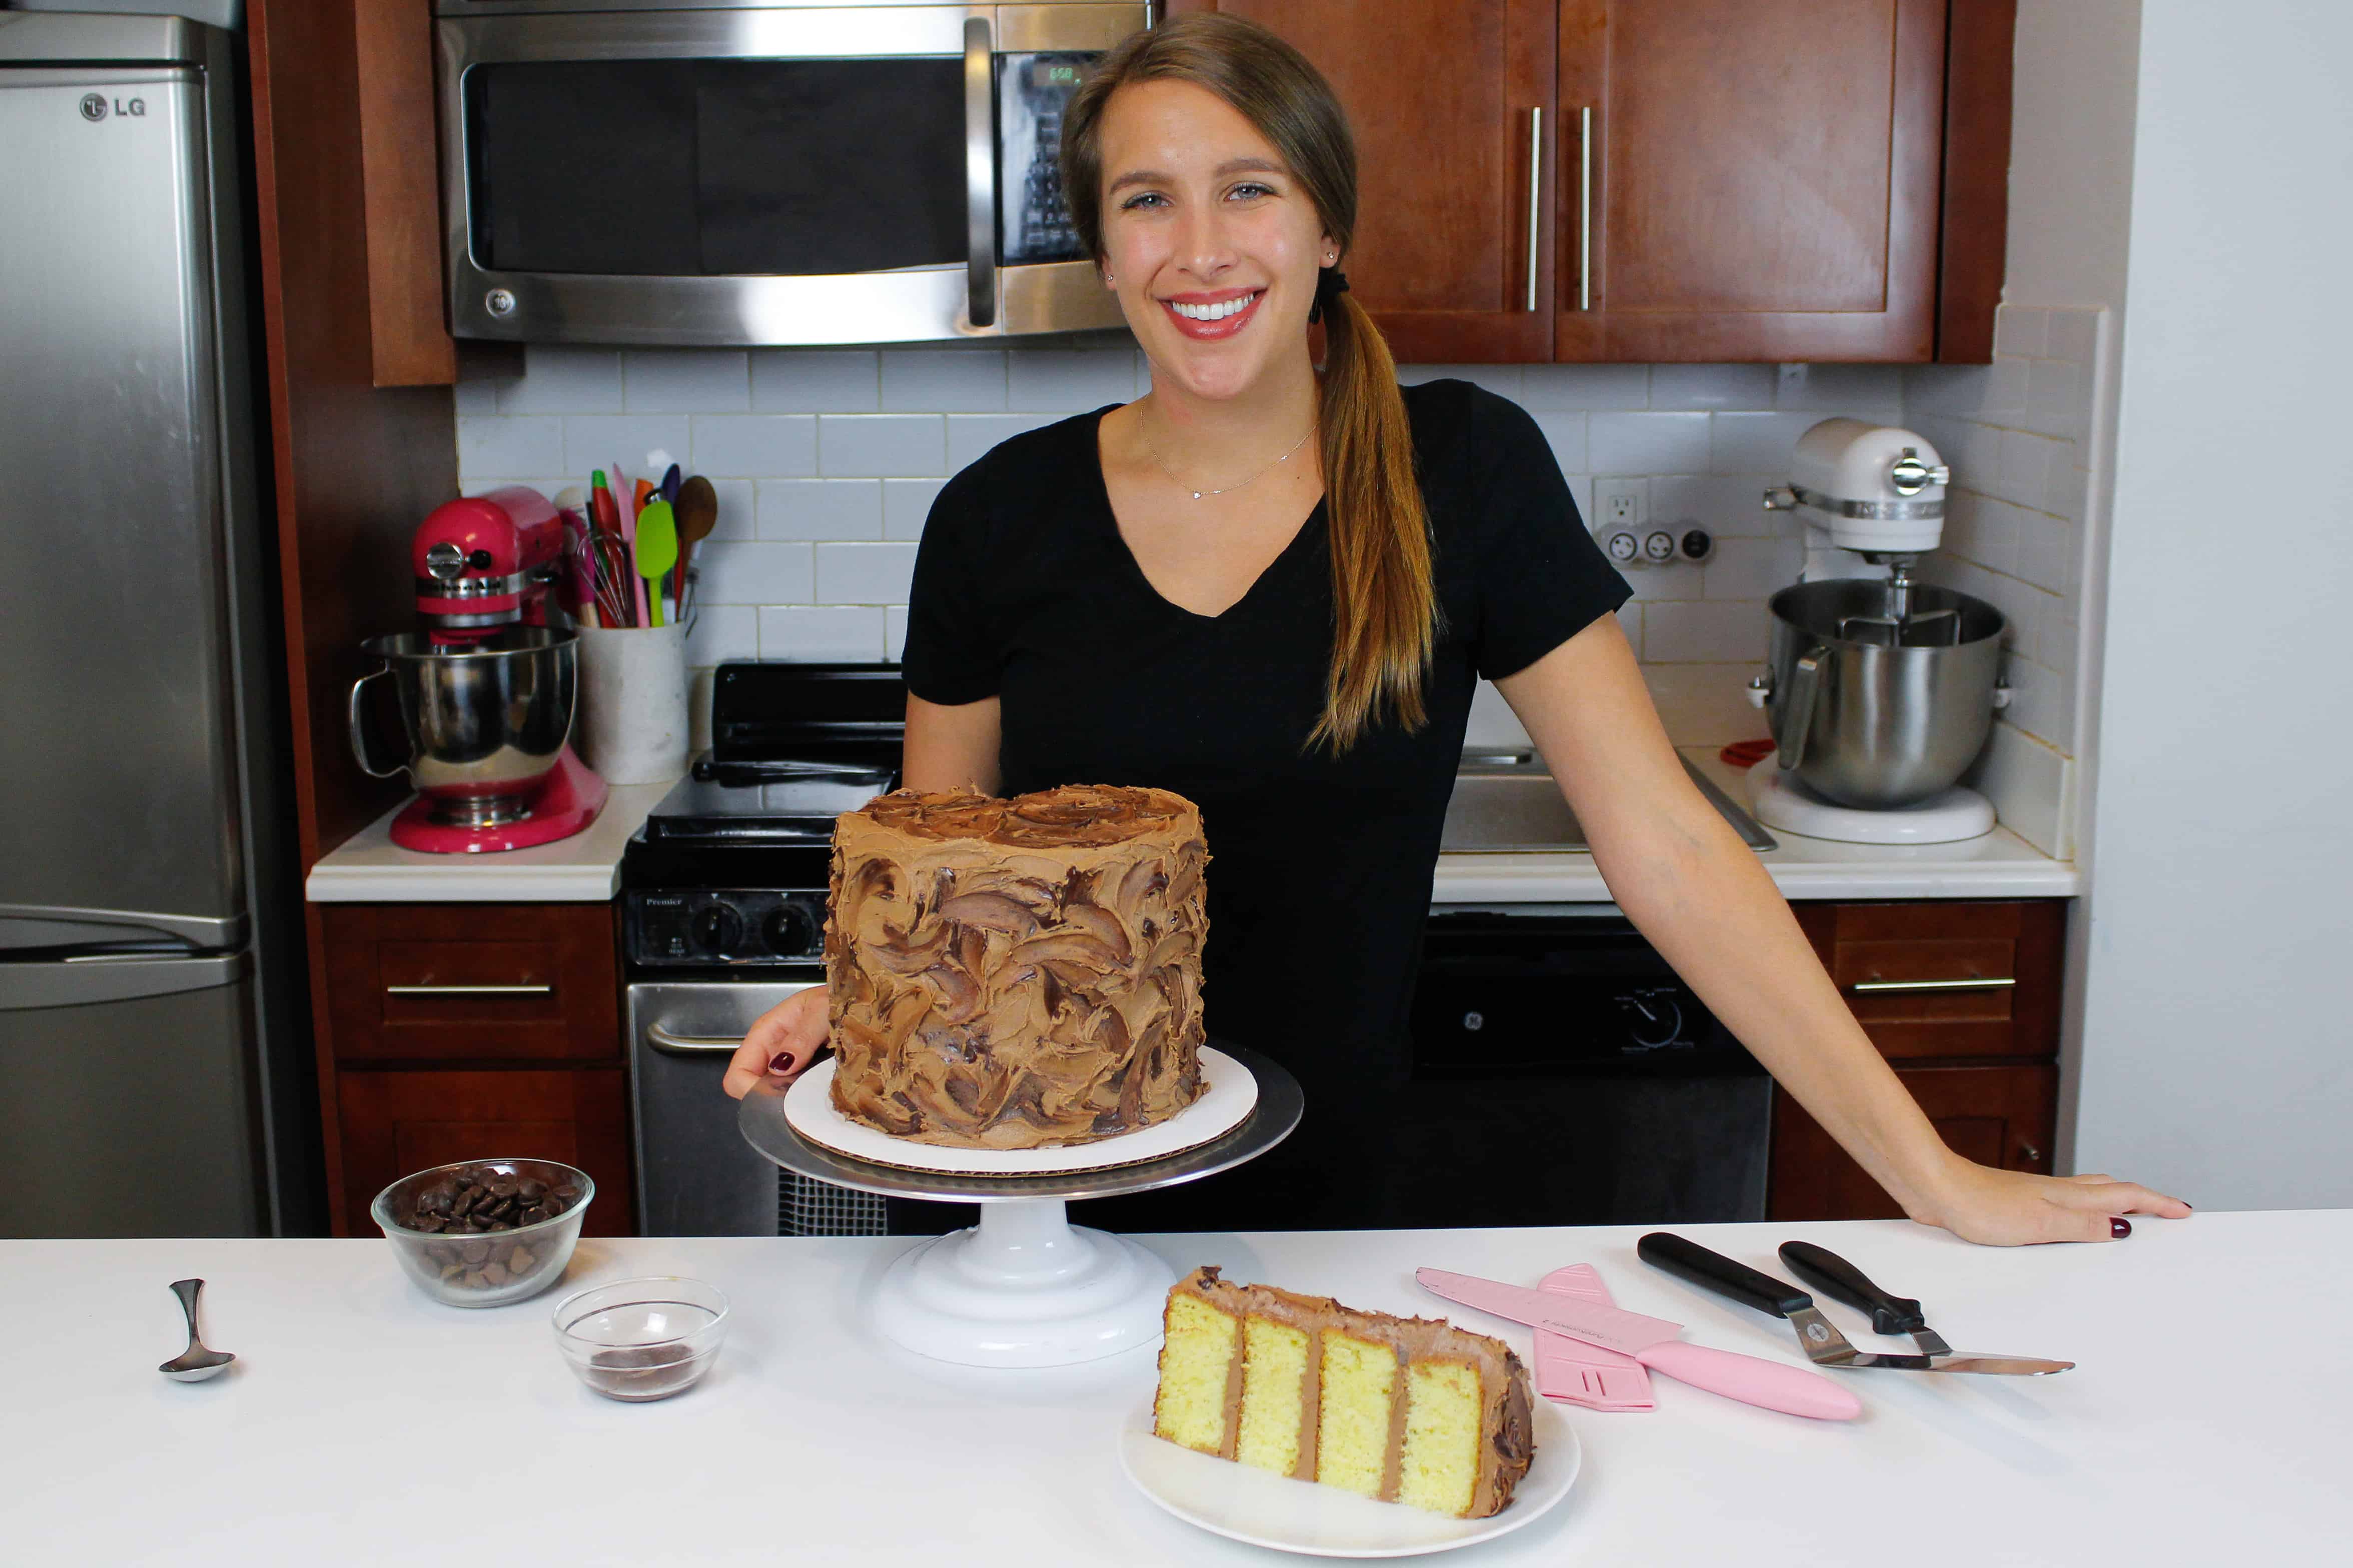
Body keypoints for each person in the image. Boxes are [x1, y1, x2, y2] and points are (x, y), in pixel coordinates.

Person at [725, 14, 2187, 1245]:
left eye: (1248, 189)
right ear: (1102, 251)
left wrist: (1932, 1178)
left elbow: (1669, 840)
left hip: (1319, 1197)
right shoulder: (999, 513)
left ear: (1325, 224)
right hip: (1024, 1197)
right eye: (1146, 200)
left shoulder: (1461, 472)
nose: (1200, 246)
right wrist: (846, 993)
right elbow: (931, 853)